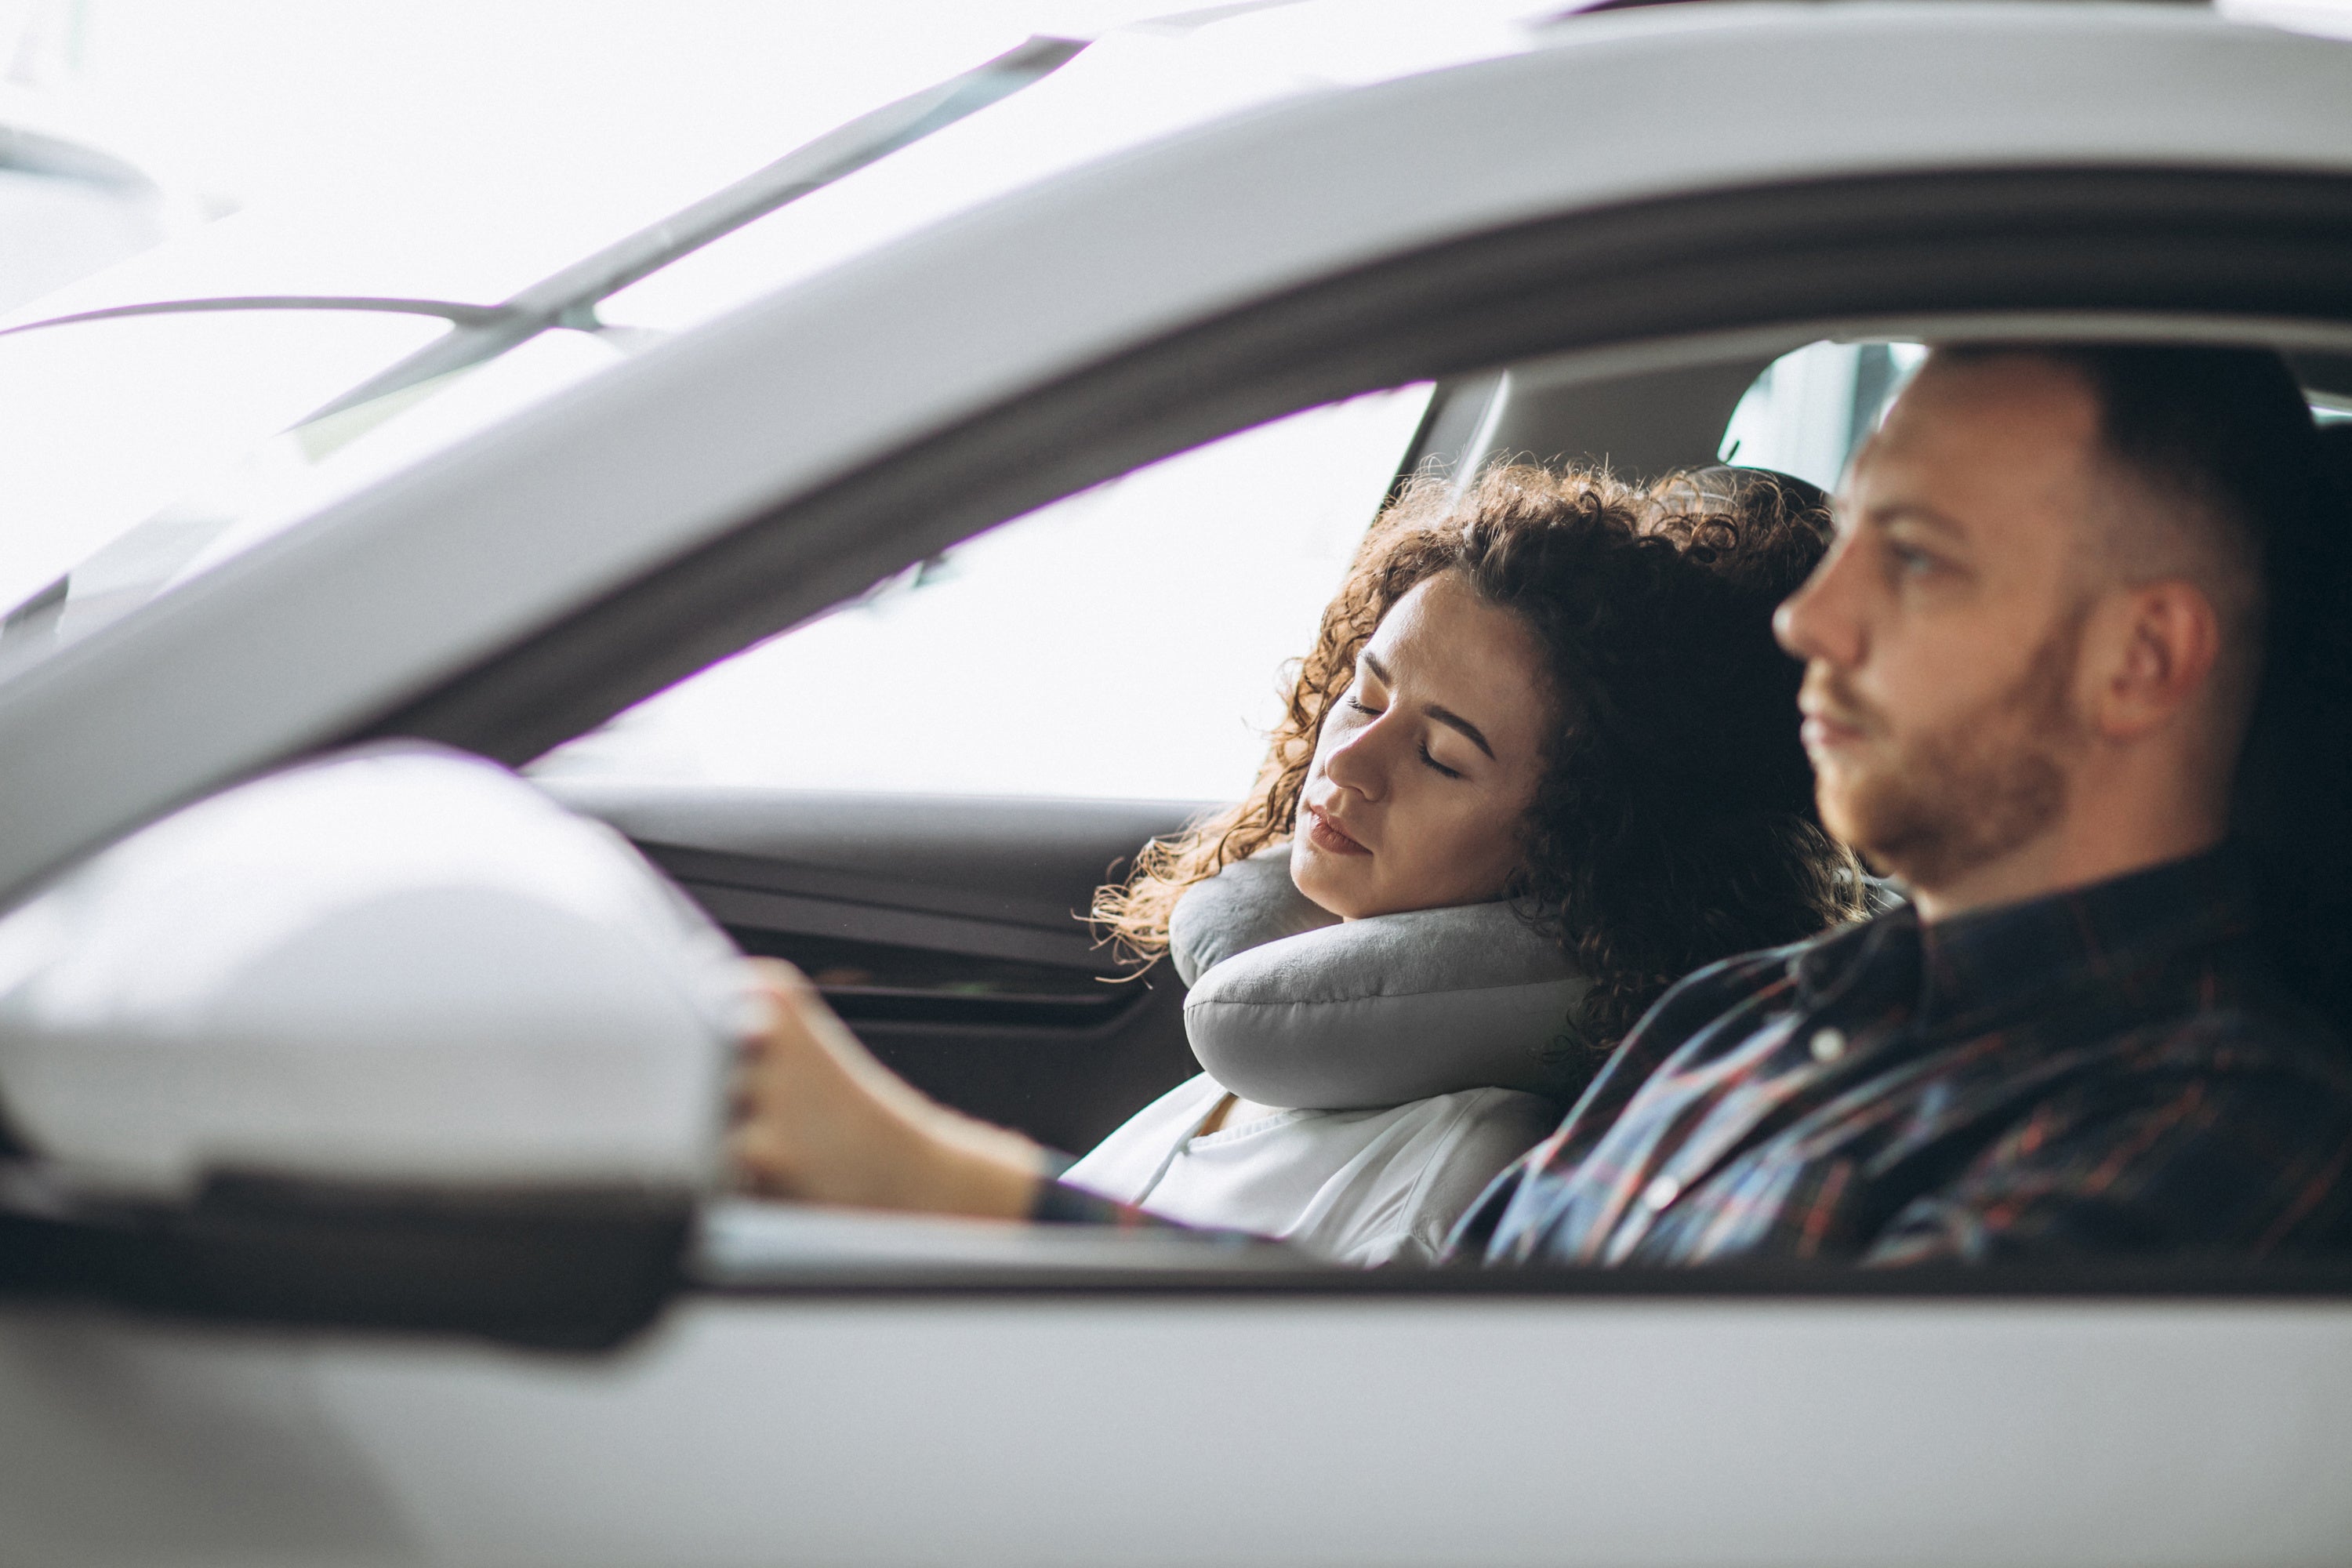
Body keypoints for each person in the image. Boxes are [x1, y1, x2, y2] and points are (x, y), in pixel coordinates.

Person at [733, 343, 2352, 1264]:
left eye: (1913, 558)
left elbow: (1577, 1478)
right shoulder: (1751, 1019)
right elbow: (1436, 1382)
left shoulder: (2205, 1133)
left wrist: (953, 1197)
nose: (1810, 616)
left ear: (2144, 656)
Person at [1049, 464, 1860, 1262]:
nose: (1348, 763)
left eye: (1440, 756)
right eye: (1365, 699)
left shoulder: (1443, 1184)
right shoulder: (1285, 1046)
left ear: (1576, 846)